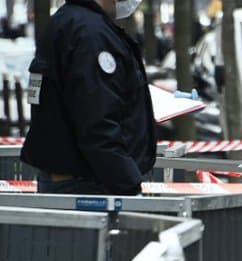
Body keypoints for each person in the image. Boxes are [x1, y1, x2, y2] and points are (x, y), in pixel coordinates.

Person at [22, 0, 156, 196]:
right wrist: (129, 185)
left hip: (73, 180)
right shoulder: (91, 35)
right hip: (88, 185)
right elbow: (97, 124)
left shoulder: (68, 22)